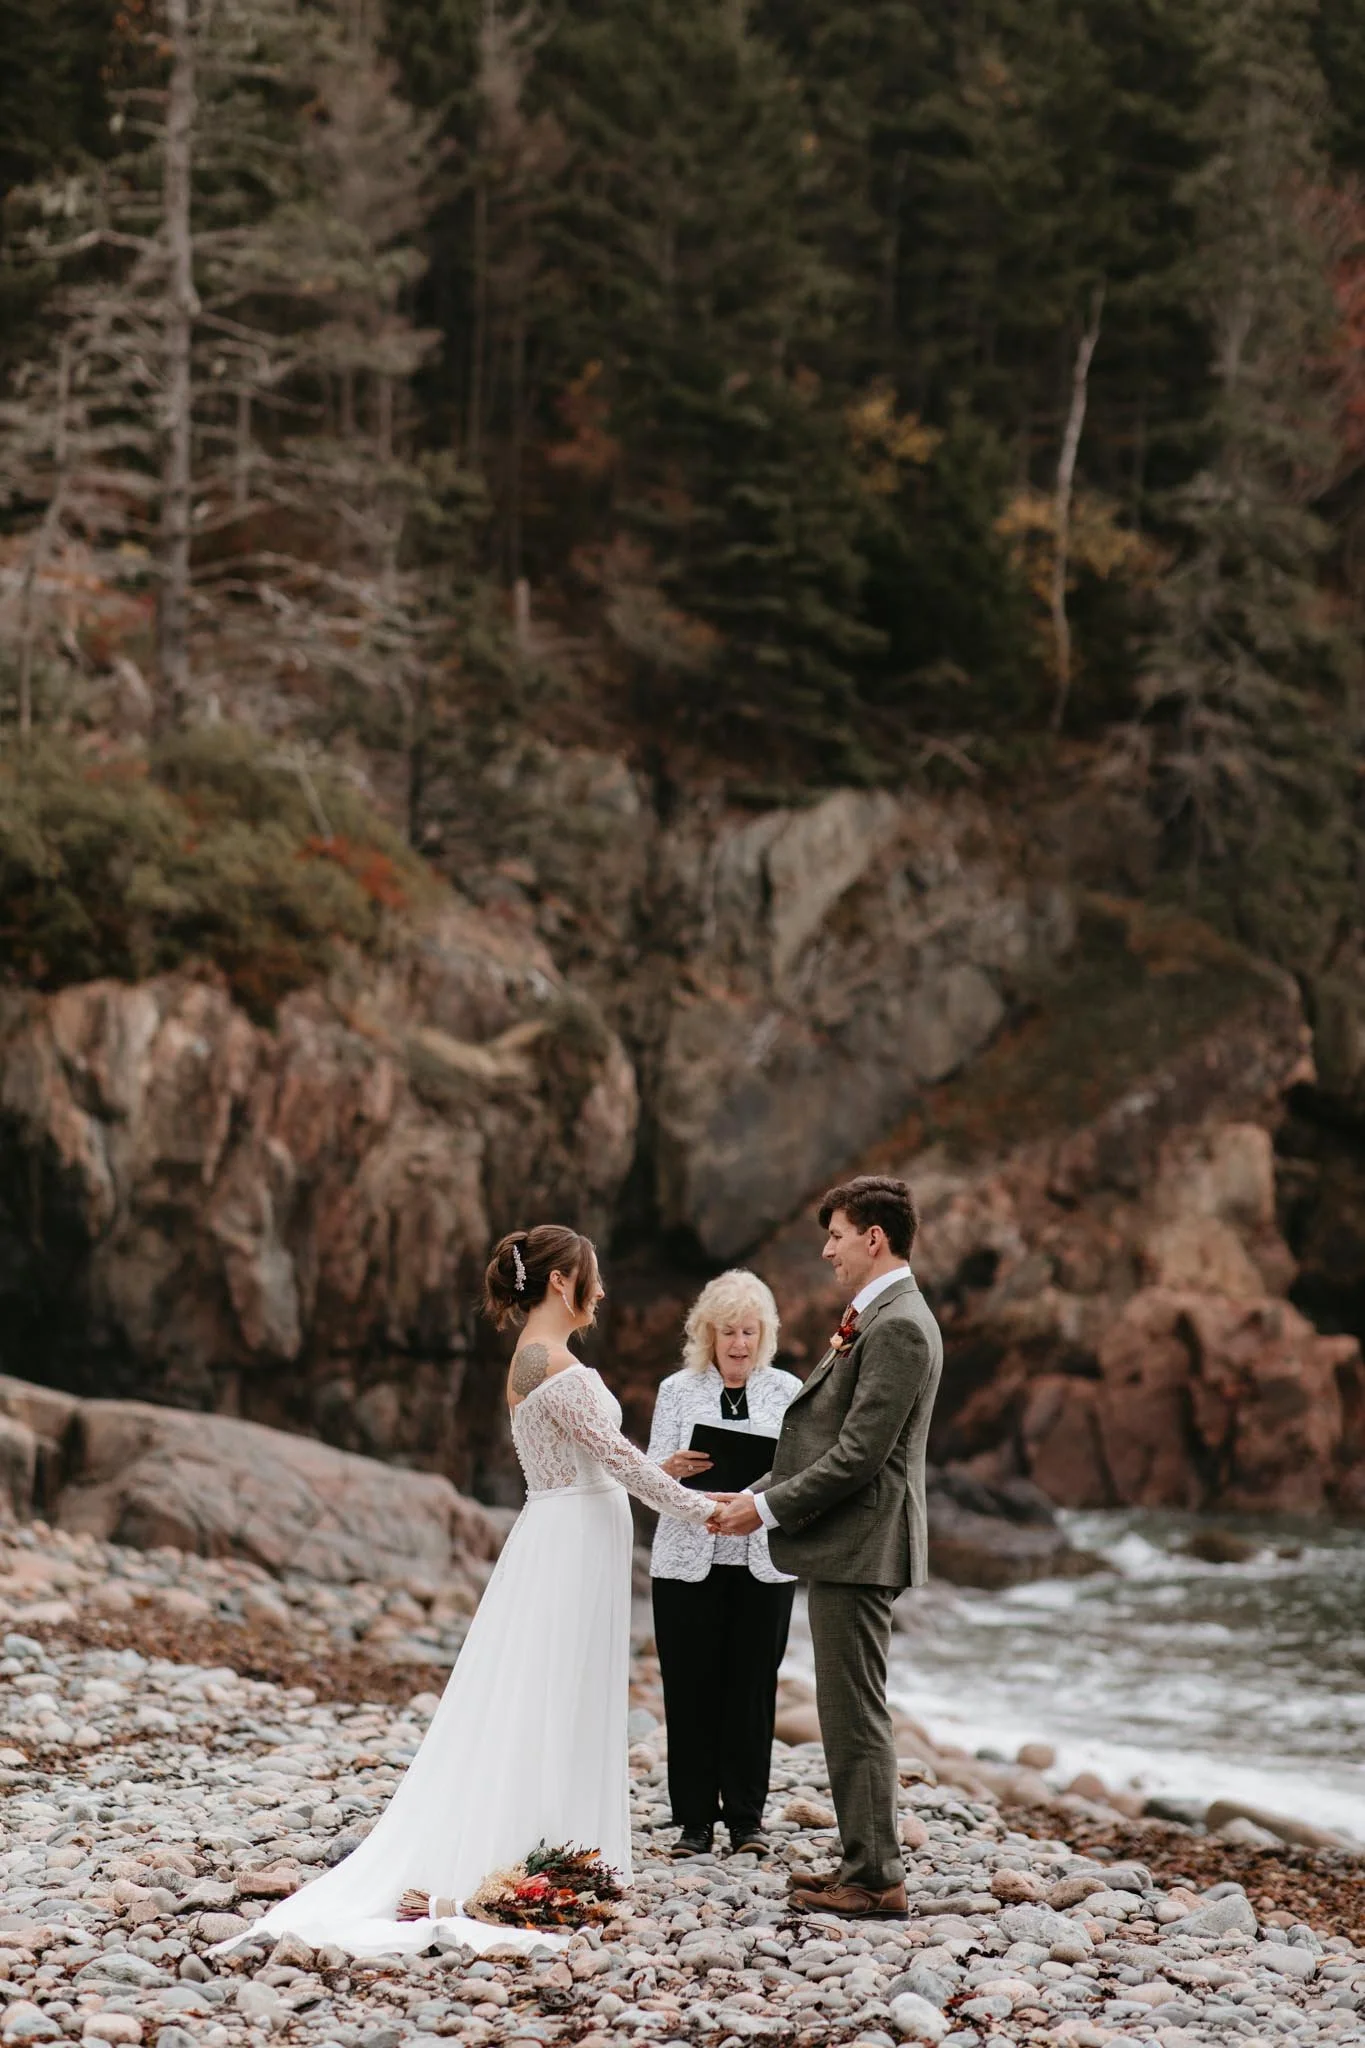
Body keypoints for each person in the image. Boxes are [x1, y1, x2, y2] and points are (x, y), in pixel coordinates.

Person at [224, 1224, 719, 1959]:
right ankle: (532, 1850)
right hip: (572, 1542)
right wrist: (709, 1512)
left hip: (566, 1533)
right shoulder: (555, 1364)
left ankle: (556, 1847)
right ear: (561, 1282)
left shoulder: (533, 1359)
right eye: (592, 1277)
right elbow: (613, 1459)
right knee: (555, 1691)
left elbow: (598, 1459)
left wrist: (660, 1472)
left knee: (552, 1689)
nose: (602, 1291)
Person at [710, 1175, 943, 1922]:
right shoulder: (877, 1316)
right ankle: (862, 1863)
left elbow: (859, 1456)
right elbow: (822, 1442)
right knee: (845, 1709)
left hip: (865, 1543)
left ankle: (874, 1878)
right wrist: (751, 1493)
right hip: (852, 1542)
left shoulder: (899, 1326)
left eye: (836, 1236)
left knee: (855, 1713)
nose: (827, 1250)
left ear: (874, 1238)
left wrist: (764, 1510)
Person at [647, 1269, 802, 1860]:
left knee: (752, 1691)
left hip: (763, 1562)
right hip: (686, 1562)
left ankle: (745, 1821)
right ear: (707, 1334)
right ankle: (693, 1823)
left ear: (764, 1336)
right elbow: (648, 1479)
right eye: (728, 1331)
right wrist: (672, 1471)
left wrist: (749, 1503)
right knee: (689, 1689)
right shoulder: (675, 1390)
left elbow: (798, 1476)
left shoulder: (788, 1391)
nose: (739, 1343)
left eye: (749, 1331)